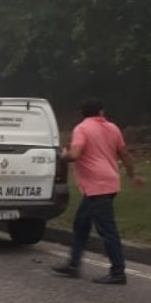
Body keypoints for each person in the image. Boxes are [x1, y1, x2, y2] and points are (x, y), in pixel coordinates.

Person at [52, 99, 145, 285]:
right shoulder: (113, 128)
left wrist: (63, 155)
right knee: (81, 224)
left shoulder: (82, 128)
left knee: (107, 230)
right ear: (101, 112)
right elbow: (124, 154)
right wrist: (132, 175)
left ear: (83, 113)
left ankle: (118, 272)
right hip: (108, 182)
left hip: (97, 187)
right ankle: (73, 265)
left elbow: (75, 154)